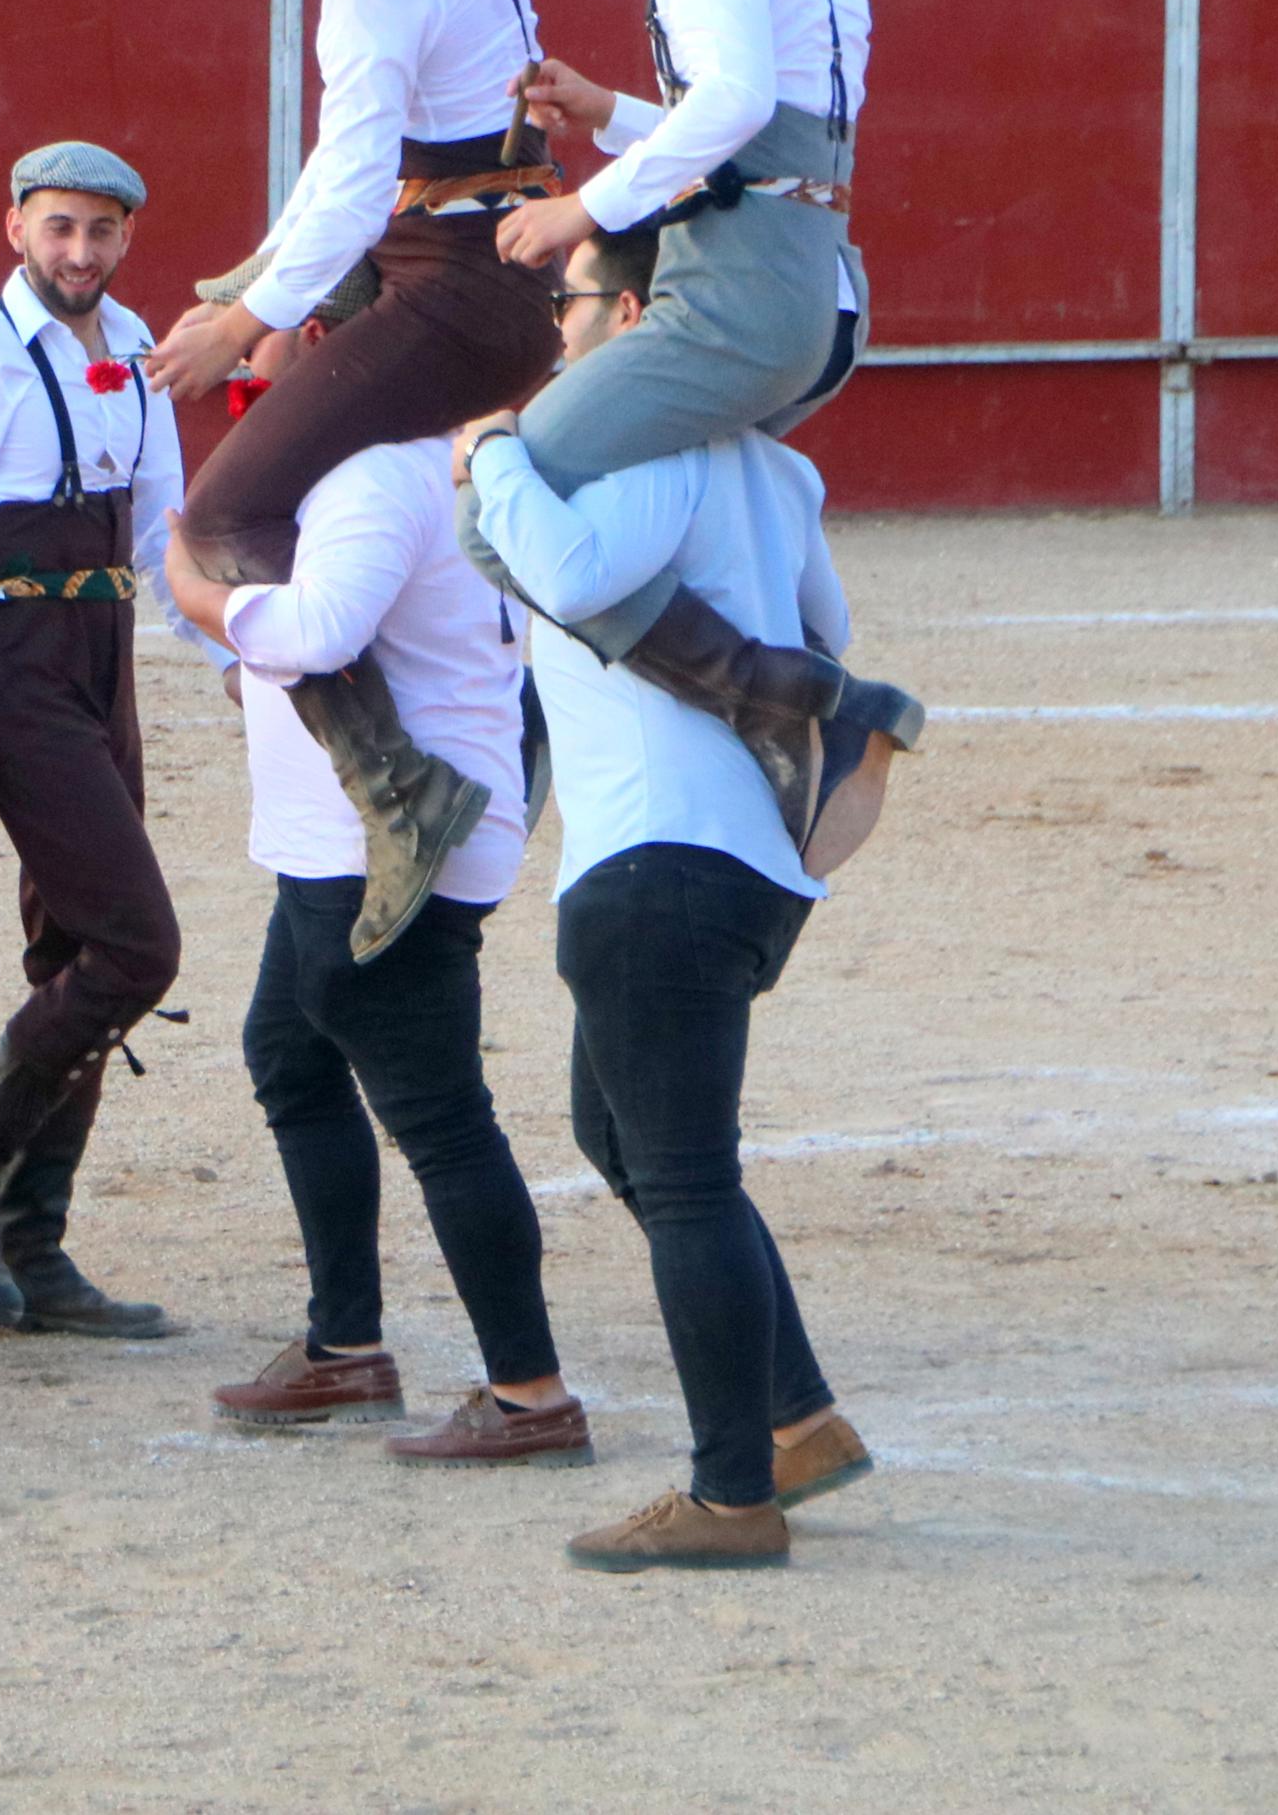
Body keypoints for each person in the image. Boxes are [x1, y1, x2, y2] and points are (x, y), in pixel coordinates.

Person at [459, 219, 878, 1570]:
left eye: (570, 299)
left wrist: (495, 456)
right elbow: (820, 633)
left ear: (636, 314)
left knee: (682, 1174)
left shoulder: (634, 441)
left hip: (653, 858)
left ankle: (727, 1487)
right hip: (740, 860)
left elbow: (573, 573)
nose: (556, 326)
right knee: (619, 1130)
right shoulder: (773, 466)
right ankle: (791, 1412)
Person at [146, 0, 560, 941]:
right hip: (471, 266)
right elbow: (370, 175)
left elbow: (352, 172)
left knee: (224, 512)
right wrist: (252, 279)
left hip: (456, 284)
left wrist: (242, 320)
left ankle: (399, 787)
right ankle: (491, 726)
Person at [168, 262, 588, 1468]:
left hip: (381, 843)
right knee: (288, 1055)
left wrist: (200, 598)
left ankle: (527, 1392)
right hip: (360, 834)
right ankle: (343, 1340)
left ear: (323, 345)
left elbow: (317, 635)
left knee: (442, 1118)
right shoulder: (444, 460)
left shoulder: (361, 476)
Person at [500, 0, 920, 863]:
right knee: (699, 497)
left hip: (734, 292)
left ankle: (773, 710)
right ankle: (779, 705)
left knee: (508, 490)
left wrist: (579, 209)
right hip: (815, 286)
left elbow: (729, 101)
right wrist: (613, 112)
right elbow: (761, 139)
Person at [0, 143, 190, 1334]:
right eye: (59, 228)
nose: (80, 253)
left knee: (75, 947)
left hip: (98, 655)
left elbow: (160, 529)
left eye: (102, 232)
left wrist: (227, 656)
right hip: (9, 659)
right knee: (131, 945)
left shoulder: (131, 341)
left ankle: (32, 1242)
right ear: (12, 225)